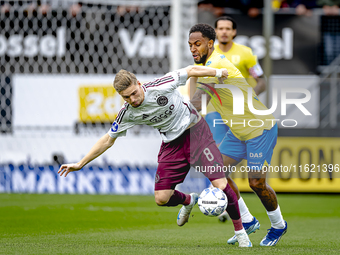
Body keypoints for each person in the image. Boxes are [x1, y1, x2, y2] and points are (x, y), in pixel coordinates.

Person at [58, 65, 253, 247]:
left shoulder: (162, 85)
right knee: (161, 198)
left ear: (140, 85)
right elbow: (108, 140)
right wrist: (80, 163)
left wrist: (218, 72)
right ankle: (189, 201)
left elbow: (191, 70)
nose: (133, 100)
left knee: (220, 183)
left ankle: (240, 232)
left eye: (134, 93)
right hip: (172, 145)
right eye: (126, 97)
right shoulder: (127, 113)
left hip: (196, 134)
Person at [188, 23, 287, 247]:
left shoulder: (216, 64)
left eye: (198, 44)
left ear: (210, 44)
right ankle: (248, 220)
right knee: (217, 172)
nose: (193, 49)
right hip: (238, 131)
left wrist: (170, 113)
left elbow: (197, 103)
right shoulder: (208, 67)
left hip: (259, 128)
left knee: (256, 183)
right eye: (190, 45)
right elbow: (198, 103)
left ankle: (279, 225)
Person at [213, 16, 266, 222]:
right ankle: (231, 205)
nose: (224, 32)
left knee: (229, 161)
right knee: (219, 161)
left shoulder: (246, 53)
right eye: (221, 28)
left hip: (240, 114)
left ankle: (233, 206)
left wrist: (248, 97)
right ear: (215, 32)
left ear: (234, 32)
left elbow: (261, 81)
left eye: (228, 28)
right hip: (215, 112)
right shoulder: (208, 54)